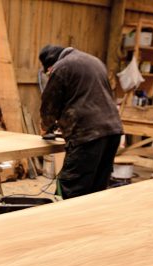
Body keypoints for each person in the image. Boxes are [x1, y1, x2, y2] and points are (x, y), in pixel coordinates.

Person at [39, 45, 123, 199]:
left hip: (87, 135)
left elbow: (49, 105)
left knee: (71, 188)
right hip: (113, 131)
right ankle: (90, 222)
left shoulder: (61, 67)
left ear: (50, 64)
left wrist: (45, 127)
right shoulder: (94, 61)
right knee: (96, 188)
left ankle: (67, 222)